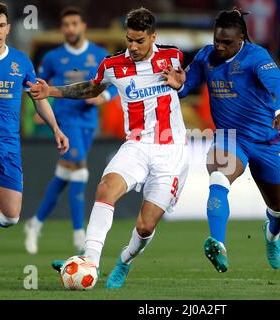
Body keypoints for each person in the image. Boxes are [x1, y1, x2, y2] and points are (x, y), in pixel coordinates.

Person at [29, 7, 189, 288]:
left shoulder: (172, 56)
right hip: (136, 145)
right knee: (105, 189)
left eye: (140, 40)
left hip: (171, 151)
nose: (133, 46)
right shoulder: (113, 65)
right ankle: (90, 259)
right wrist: (52, 91)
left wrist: (182, 83)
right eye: (129, 39)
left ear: (153, 36)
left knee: (145, 226)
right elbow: (92, 88)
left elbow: (187, 80)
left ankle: (125, 260)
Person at [162, 9, 280, 272]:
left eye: (227, 42)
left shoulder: (256, 56)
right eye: (217, 41)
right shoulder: (205, 56)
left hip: (265, 142)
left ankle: (272, 235)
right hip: (229, 137)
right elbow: (187, 86)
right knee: (218, 179)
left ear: (242, 39)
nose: (220, 47)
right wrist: (179, 85)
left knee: (279, 211)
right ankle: (219, 245)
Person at [0, 2, 69, 286]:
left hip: (10, 145)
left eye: (1, 26)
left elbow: (38, 97)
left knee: (9, 217)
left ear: (8, 29)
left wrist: (56, 128)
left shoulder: (21, 62)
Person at [24, 7, 117, 256]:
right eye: (66, 24)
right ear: (62, 28)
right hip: (67, 119)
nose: (70, 28)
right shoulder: (53, 57)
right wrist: (39, 108)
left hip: (88, 122)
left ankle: (35, 223)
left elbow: (116, 82)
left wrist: (104, 96)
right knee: (81, 171)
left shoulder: (99, 54)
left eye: (74, 23)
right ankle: (79, 235)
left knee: (65, 175)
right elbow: (37, 85)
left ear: (83, 26)